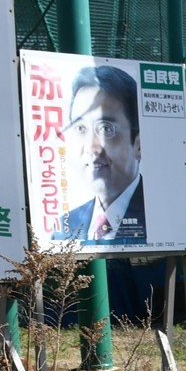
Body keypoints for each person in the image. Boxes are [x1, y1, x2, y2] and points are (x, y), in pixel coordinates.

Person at [51, 64, 147, 243]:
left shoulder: (161, 218)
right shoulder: (64, 227)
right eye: (80, 128)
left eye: (105, 129)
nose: (90, 147)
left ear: (139, 145)